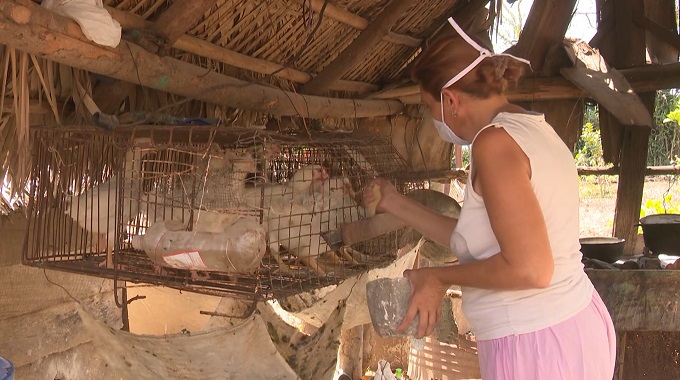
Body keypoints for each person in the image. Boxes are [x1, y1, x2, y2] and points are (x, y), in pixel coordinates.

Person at [363, 17, 616, 380]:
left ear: (450, 99)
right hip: (567, 326)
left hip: (538, 345)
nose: (432, 116)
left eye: (428, 106)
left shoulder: (493, 144)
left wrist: (437, 278)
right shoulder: (533, 129)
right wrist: (395, 202)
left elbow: (531, 268)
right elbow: (478, 241)